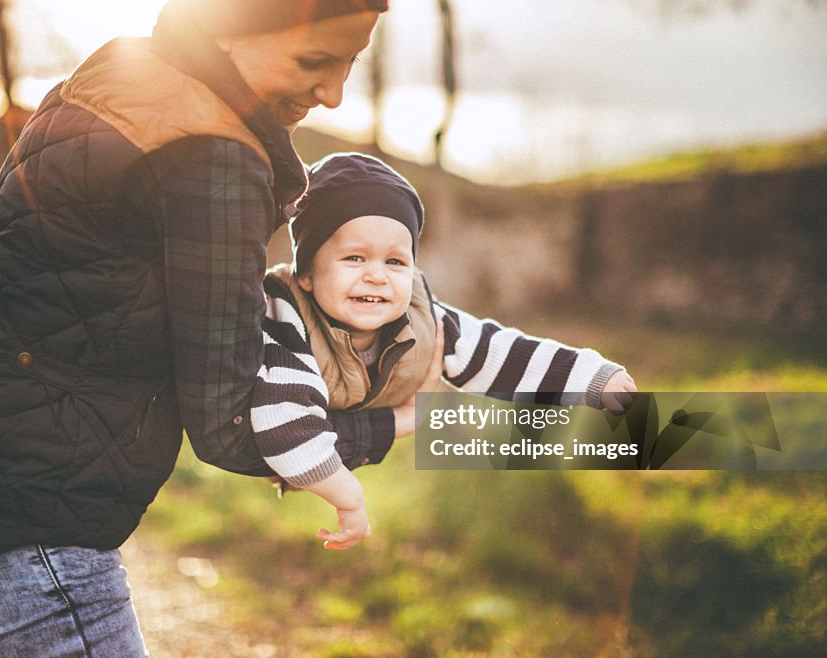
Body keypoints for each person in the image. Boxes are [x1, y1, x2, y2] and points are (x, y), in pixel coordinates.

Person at [0, 0, 402, 656]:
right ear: (231, 26)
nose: (334, 93)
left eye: (350, 62)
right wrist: (386, 427)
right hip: (37, 526)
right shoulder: (213, 154)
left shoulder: (120, 75)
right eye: (315, 61)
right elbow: (225, 424)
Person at [252, 152, 638, 545]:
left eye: (396, 261)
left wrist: (590, 377)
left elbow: (497, 353)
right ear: (306, 275)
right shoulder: (286, 320)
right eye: (354, 258)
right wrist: (347, 497)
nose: (376, 276)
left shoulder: (423, 318)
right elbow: (285, 425)